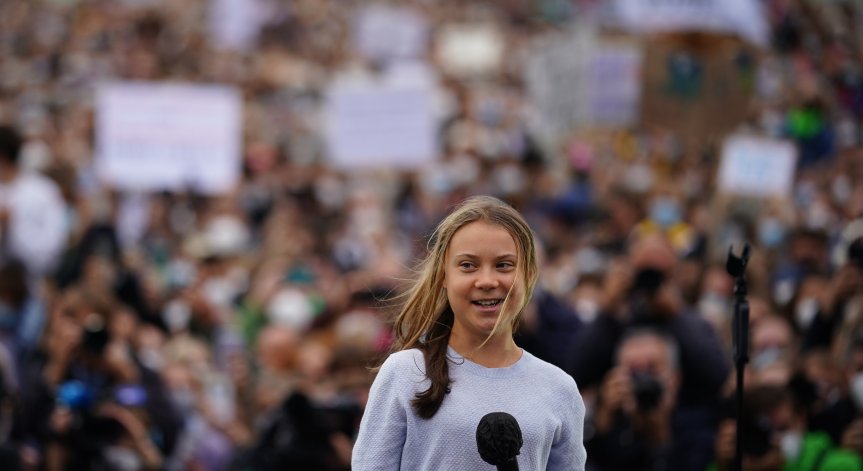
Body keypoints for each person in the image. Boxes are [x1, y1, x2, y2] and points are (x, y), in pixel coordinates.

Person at [351, 195, 586, 470]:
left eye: (504, 265)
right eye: (468, 266)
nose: (486, 281)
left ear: (529, 275)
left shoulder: (559, 389)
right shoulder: (404, 373)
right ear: (443, 278)